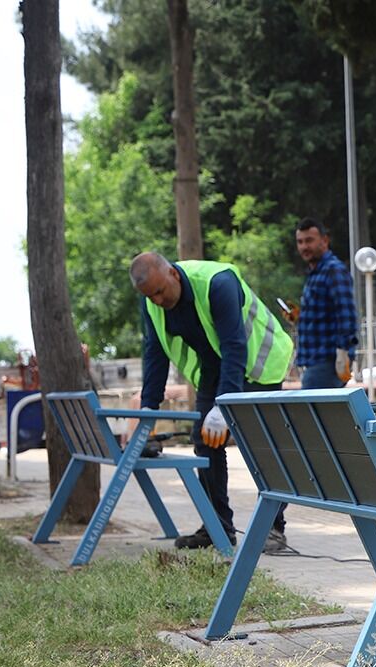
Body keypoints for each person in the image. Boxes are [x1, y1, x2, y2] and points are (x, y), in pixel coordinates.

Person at [130, 253, 294, 554]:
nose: (156, 301)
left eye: (159, 292)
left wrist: (224, 406)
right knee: (205, 443)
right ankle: (217, 527)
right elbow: (154, 354)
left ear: (174, 275)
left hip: (258, 362)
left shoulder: (217, 283)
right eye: (149, 296)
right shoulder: (151, 303)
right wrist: (148, 409)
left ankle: (275, 528)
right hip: (214, 367)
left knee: (261, 445)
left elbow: (234, 345)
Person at [294, 218, 359, 388]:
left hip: (328, 362)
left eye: (309, 240)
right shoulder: (315, 273)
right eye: (300, 242)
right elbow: (323, 315)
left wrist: (343, 354)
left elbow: (347, 315)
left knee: (309, 413)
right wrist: (299, 318)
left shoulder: (333, 270)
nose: (304, 247)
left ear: (324, 241)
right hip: (316, 361)